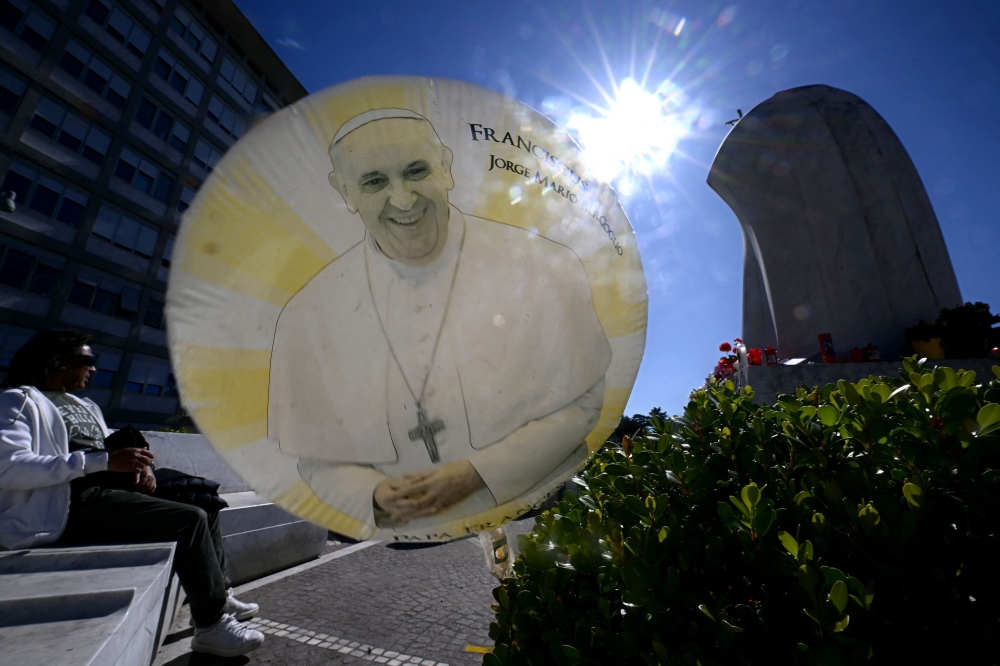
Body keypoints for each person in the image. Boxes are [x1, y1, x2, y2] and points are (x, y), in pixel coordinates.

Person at [268, 109, 612, 532]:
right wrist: (371, 493)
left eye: (416, 171)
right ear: (345, 191)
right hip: (403, 538)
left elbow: (582, 404)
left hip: (541, 512)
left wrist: (477, 473)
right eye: (374, 182)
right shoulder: (307, 315)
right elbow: (317, 457)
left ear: (446, 167)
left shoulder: (545, 266)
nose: (402, 199)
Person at [0, 330, 264, 658]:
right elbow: (9, 467)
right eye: (87, 360)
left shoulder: (85, 404)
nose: (93, 368)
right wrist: (101, 462)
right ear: (59, 362)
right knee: (189, 519)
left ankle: (219, 594)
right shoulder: (19, 400)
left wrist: (142, 468)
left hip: (110, 488)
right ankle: (211, 625)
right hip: (68, 503)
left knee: (204, 500)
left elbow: (115, 443)